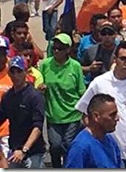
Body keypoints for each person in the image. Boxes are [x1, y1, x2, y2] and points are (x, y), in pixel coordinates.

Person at [39, 33, 85, 168]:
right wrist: (41, 88)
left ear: (68, 50)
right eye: (55, 47)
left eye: (60, 48)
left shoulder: (75, 66)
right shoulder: (45, 64)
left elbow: (81, 90)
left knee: (68, 143)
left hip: (73, 114)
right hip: (54, 115)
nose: (56, 50)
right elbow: (39, 83)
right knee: (55, 145)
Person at [0, 56, 46, 168]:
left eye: (19, 71)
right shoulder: (8, 97)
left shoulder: (35, 96)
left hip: (33, 152)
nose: (16, 76)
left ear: (26, 72)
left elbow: (38, 127)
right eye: (12, 72)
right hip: (15, 152)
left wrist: (24, 149)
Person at [64, 93, 124, 168]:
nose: (117, 118)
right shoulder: (80, 147)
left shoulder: (110, 140)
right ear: (96, 116)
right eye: (112, 115)